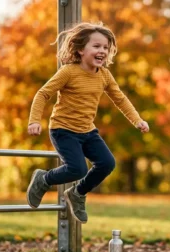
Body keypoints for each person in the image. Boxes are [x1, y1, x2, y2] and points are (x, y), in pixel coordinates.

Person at [26, 22, 149, 224]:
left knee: (107, 163)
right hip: (63, 130)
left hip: (87, 131)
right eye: (97, 46)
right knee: (78, 169)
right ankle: (43, 179)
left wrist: (137, 120)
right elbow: (43, 94)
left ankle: (77, 193)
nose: (102, 51)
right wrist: (34, 121)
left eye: (106, 48)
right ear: (81, 50)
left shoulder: (104, 75)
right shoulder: (68, 72)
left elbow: (120, 99)